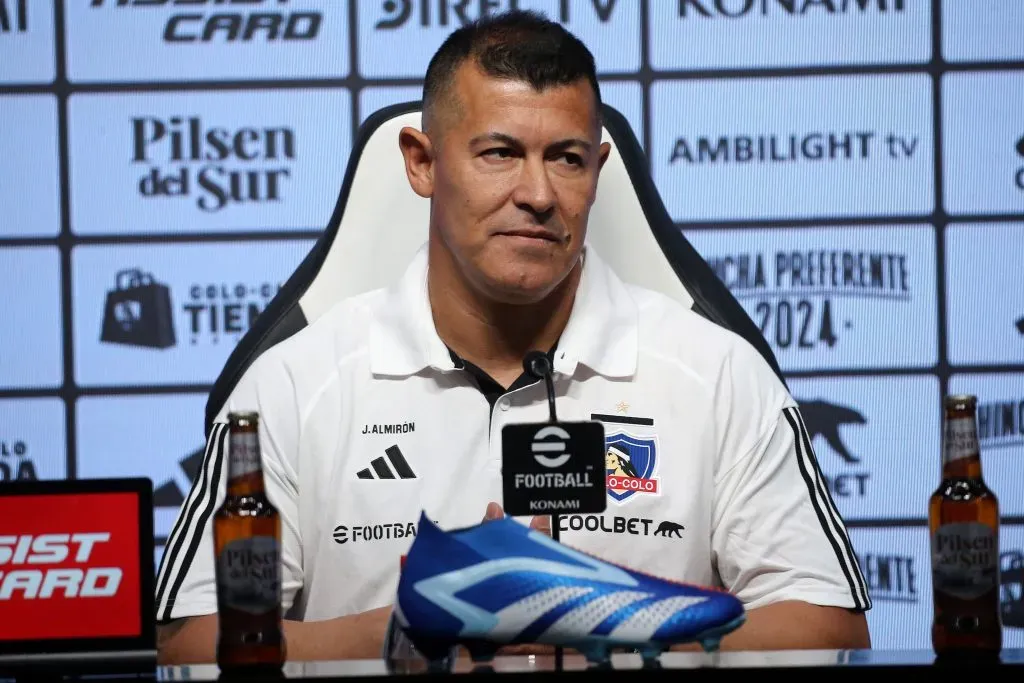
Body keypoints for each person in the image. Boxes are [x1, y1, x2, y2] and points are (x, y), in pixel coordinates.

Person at [155, 10, 871, 664]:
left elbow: (833, 628)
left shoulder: (716, 374)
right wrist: (409, 627)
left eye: (566, 157)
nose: (538, 193)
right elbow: (185, 642)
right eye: (499, 152)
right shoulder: (293, 385)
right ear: (422, 162)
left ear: (598, 170)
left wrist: (597, 611)